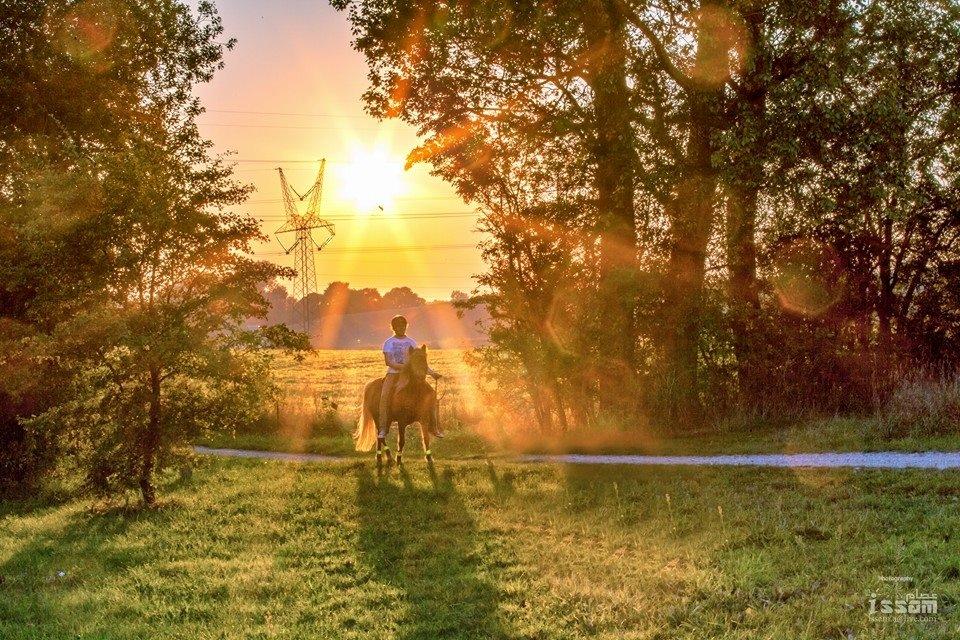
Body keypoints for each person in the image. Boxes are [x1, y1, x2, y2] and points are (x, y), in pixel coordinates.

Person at [379, 315, 440, 438]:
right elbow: (388, 362)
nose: (401, 328)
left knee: (431, 394)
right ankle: (383, 428)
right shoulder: (389, 342)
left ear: (406, 327)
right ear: (393, 328)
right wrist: (404, 367)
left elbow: (420, 362)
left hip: (409, 375)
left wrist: (432, 373)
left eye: (403, 326)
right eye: (398, 326)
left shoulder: (412, 342)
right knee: (384, 396)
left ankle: (434, 427)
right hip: (393, 374)